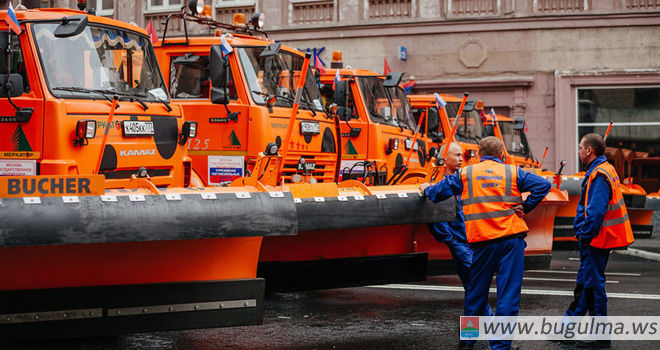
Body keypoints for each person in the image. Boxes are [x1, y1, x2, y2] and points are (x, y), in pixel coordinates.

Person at [421, 136, 550, 350]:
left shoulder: (466, 173)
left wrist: (425, 188)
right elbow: (543, 185)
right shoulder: (513, 172)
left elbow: (436, 193)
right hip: (511, 241)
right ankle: (500, 346)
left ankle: (468, 341)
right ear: (501, 155)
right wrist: (526, 207)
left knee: (475, 293)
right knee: (508, 295)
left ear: (479, 155)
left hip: (482, 242)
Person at [563, 133, 634, 346]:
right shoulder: (604, 170)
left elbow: (595, 212)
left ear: (589, 151)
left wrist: (584, 236)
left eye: (579, 148)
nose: (578, 152)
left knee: (593, 286)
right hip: (599, 239)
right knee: (586, 285)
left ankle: (600, 337)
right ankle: (568, 329)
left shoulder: (599, 174)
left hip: (597, 240)